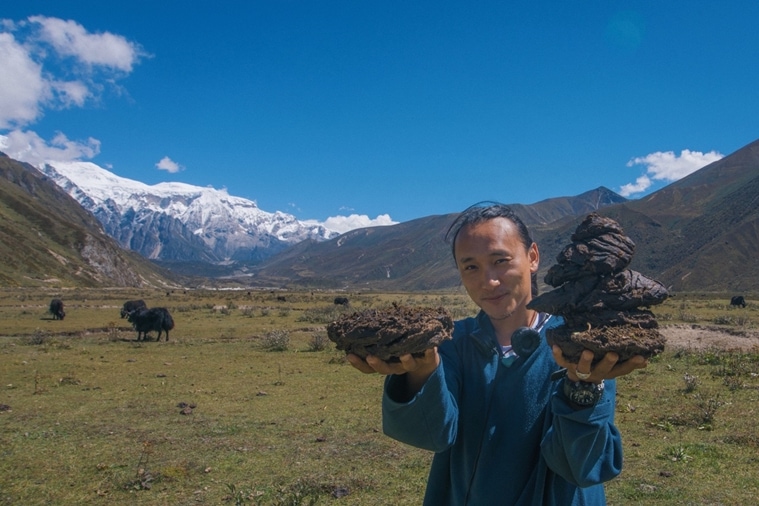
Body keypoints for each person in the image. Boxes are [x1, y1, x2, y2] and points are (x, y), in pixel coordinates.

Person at [348, 202, 648, 505]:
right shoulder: (451, 343)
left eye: (500, 260)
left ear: (532, 257)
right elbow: (431, 436)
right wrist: (420, 373)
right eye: (471, 267)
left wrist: (582, 388)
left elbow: (582, 466)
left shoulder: (581, 343)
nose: (489, 281)